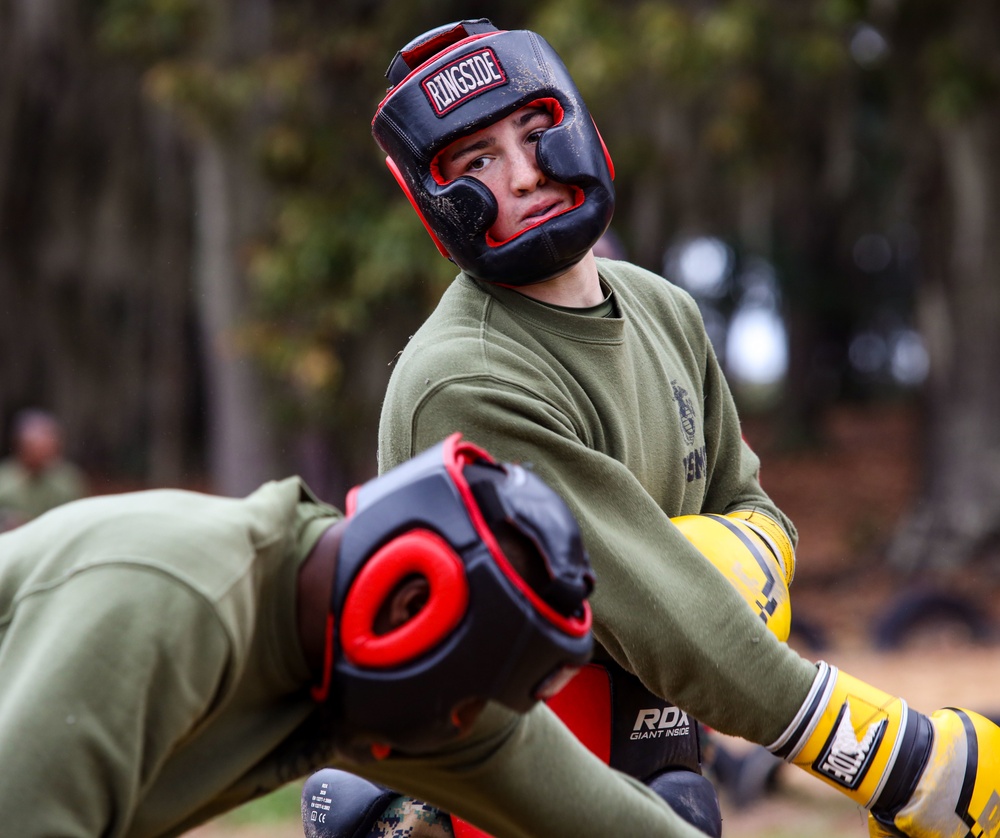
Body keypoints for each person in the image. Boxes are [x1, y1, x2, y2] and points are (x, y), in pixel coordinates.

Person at [371, 18, 1000, 838]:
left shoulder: (662, 308)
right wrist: (906, 763)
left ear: (582, 126)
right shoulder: (466, 381)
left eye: (535, 131)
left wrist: (723, 564)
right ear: (432, 201)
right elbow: (658, 618)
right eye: (478, 160)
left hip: (656, 758)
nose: (524, 176)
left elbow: (754, 508)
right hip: (506, 798)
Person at [0, 432, 716, 838]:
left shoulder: (403, 666)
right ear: (409, 605)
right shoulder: (173, 600)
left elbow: (612, 826)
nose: (470, 727)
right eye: (468, 702)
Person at [0, 408, 86, 531]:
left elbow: (77, 516)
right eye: (34, 447)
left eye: (48, 447)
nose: (42, 453)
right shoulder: (4, 478)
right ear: (20, 446)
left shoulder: (67, 479)